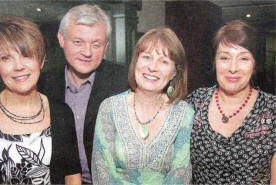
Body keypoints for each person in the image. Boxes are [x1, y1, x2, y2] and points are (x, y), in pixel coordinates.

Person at [0, 15, 82, 184]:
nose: (18, 66)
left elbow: (72, 177)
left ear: (41, 61)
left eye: (26, 55)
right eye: (6, 58)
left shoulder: (61, 112)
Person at [37, 4, 128, 184]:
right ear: (61, 39)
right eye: (78, 42)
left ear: (106, 46)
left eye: (96, 44)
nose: (87, 52)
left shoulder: (124, 83)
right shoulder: (42, 85)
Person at [91, 28, 194, 184]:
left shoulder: (184, 113)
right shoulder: (109, 108)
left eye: (164, 61)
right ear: (136, 61)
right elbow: (102, 172)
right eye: (146, 57)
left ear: (174, 73)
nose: (152, 67)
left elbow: (180, 174)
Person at [187, 20, 276, 184]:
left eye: (243, 58)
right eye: (225, 58)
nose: (233, 68)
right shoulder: (195, 103)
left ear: (255, 64)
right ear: (215, 61)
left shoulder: (272, 111)